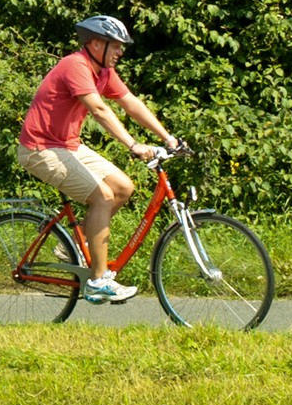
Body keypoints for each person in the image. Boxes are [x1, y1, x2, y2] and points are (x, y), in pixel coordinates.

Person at [16, 15, 181, 304]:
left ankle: (73, 245)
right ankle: (97, 282)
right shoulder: (75, 65)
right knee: (103, 197)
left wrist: (168, 139)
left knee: (123, 187)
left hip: (68, 146)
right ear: (94, 43)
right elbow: (99, 110)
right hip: (40, 149)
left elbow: (130, 103)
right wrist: (132, 144)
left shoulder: (103, 72)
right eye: (116, 45)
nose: (121, 52)